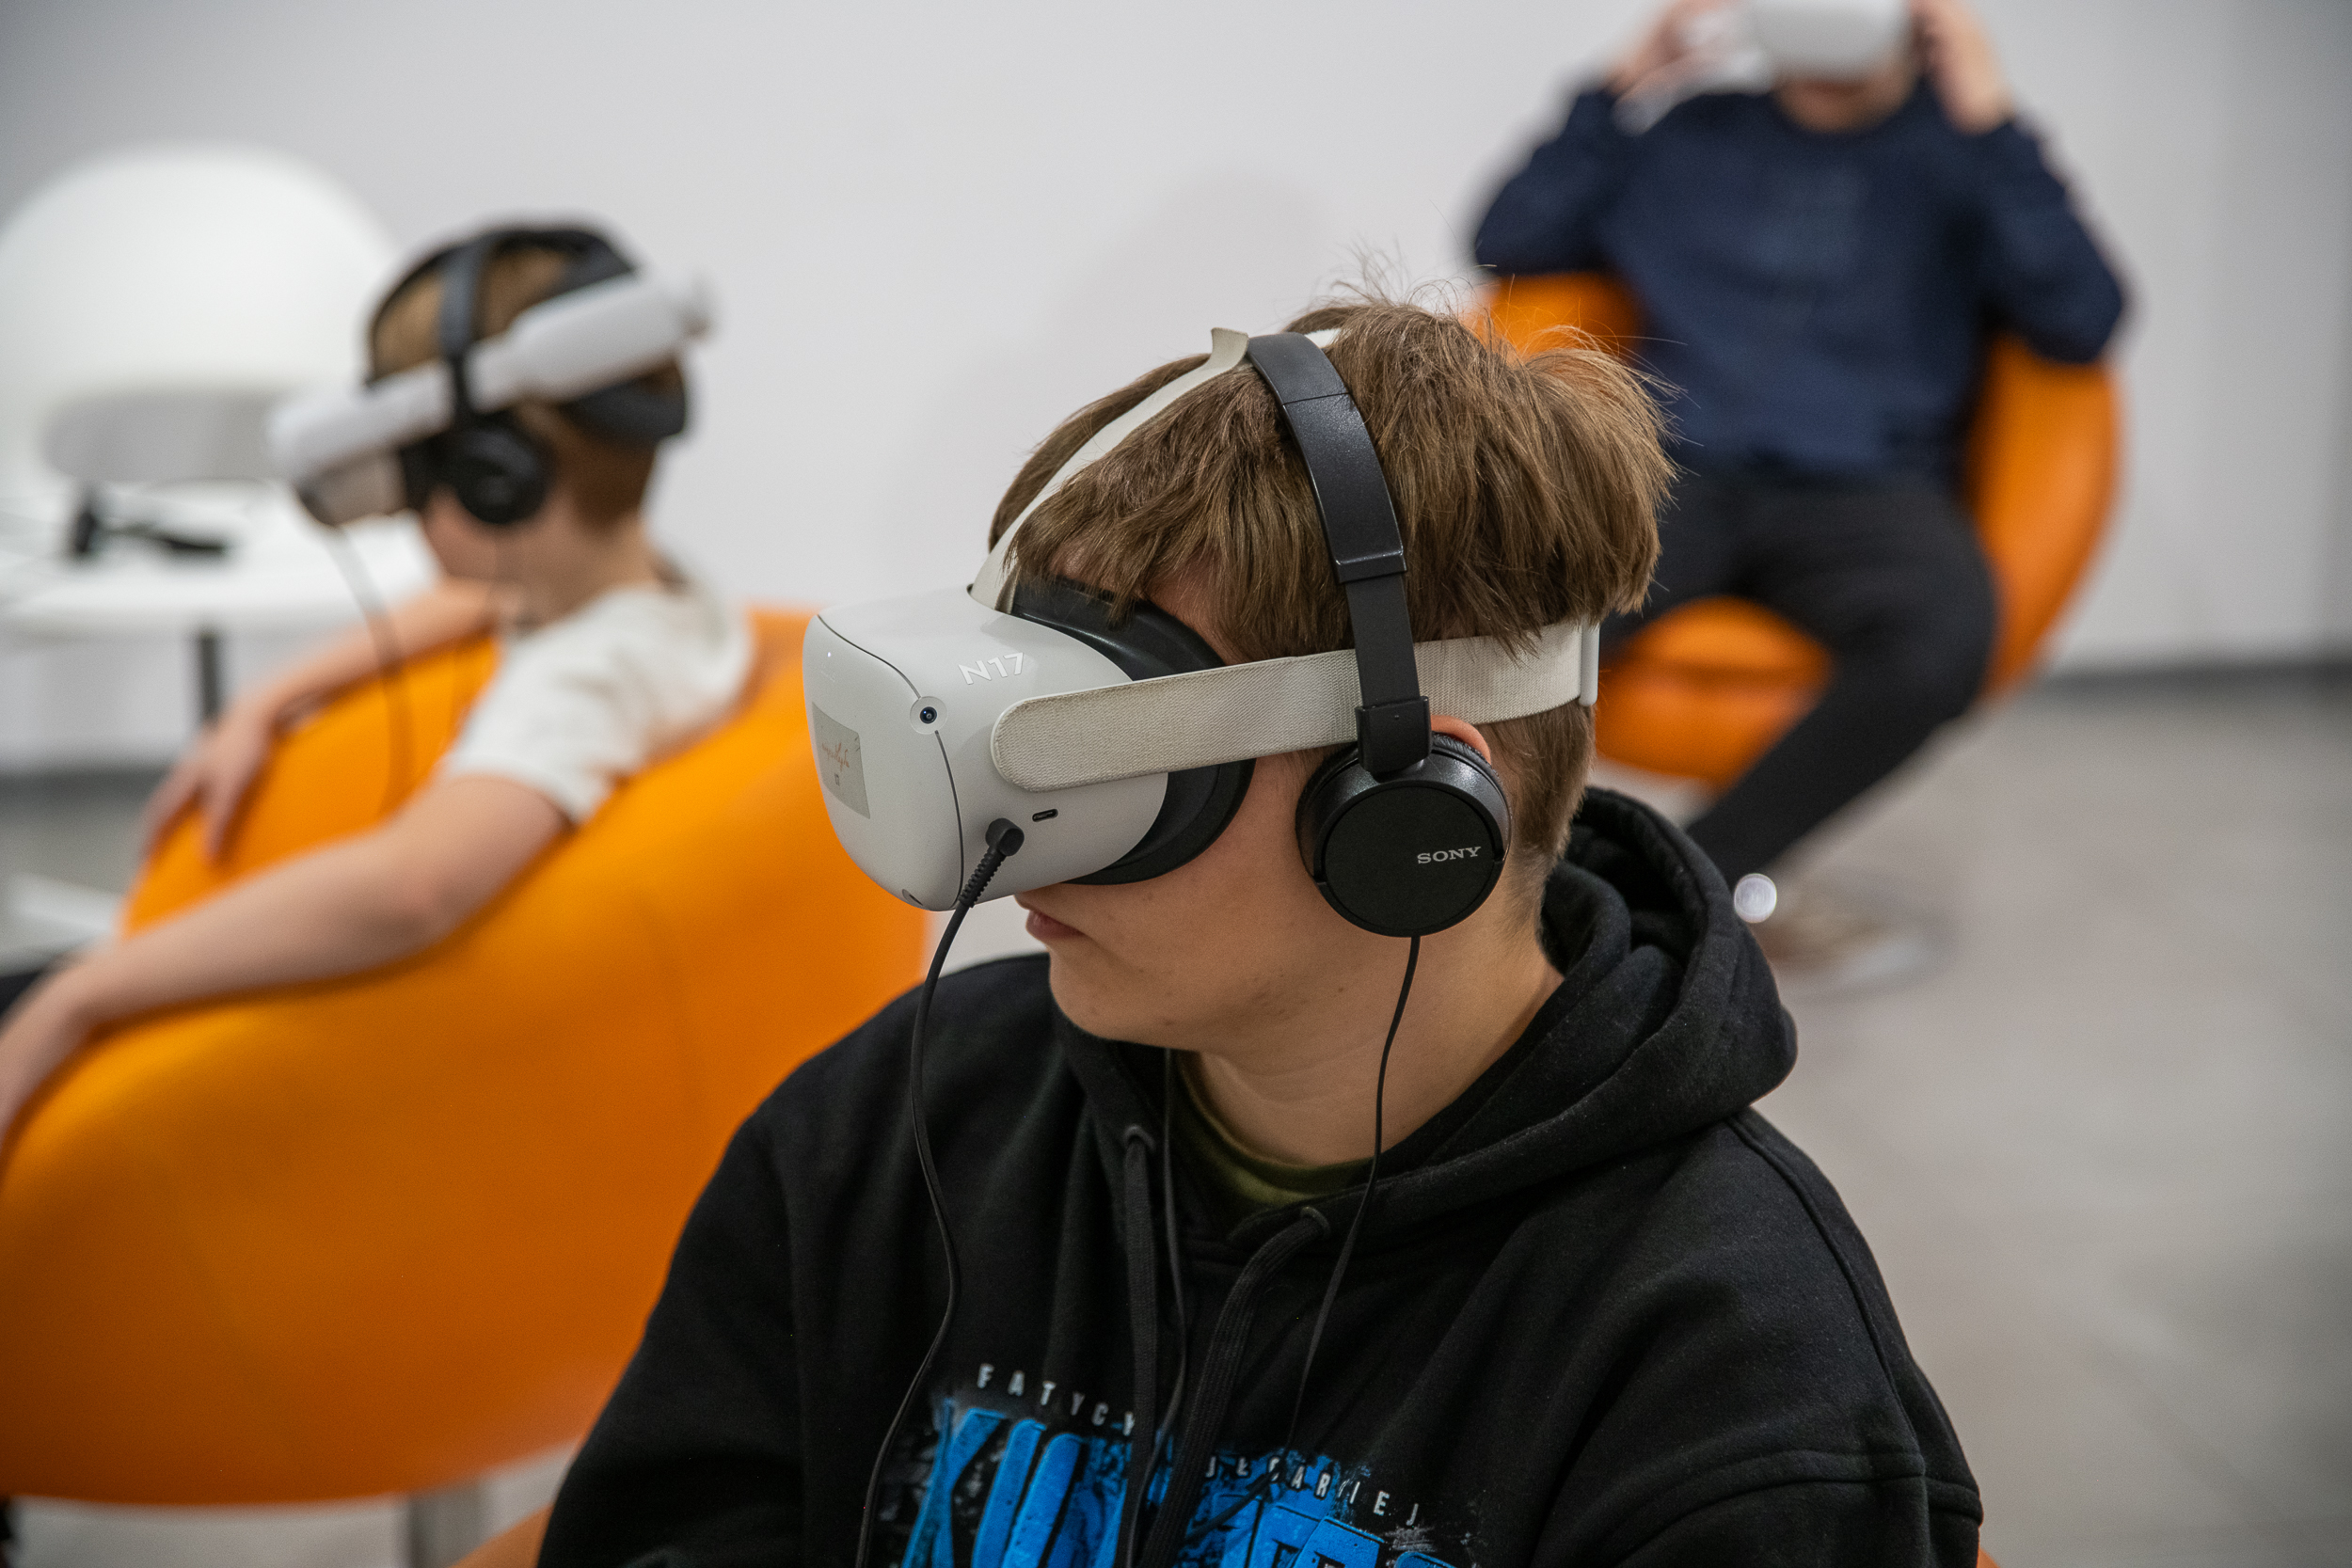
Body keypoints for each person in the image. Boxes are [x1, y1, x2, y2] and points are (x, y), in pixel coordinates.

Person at [537, 298, 1981, 1567]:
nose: (1015, 834)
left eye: (1108, 761)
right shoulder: (893, 1128)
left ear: (1410, 810)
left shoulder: (1726, 1373)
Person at [0, 225, 749, 1141]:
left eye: (416, 471)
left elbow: (412, 886)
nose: (398, 506)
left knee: (26, 993)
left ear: (497, 479)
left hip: (325, 1070)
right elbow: (475, 597)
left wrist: (83, 992)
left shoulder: (585, 682)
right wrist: (265, 701)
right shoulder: (641, 596)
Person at [1472, 0, 2126, 956]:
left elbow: (2081, 318)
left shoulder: (1962, 158)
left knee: (1940, 640)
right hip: (1677, 472)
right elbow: (1509, 237)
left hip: (1868, 488)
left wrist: (1989, 119)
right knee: (1520, 619)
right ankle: (1469, 873)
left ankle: (1683, 882)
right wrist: (1619, 87)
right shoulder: (1690, 136)